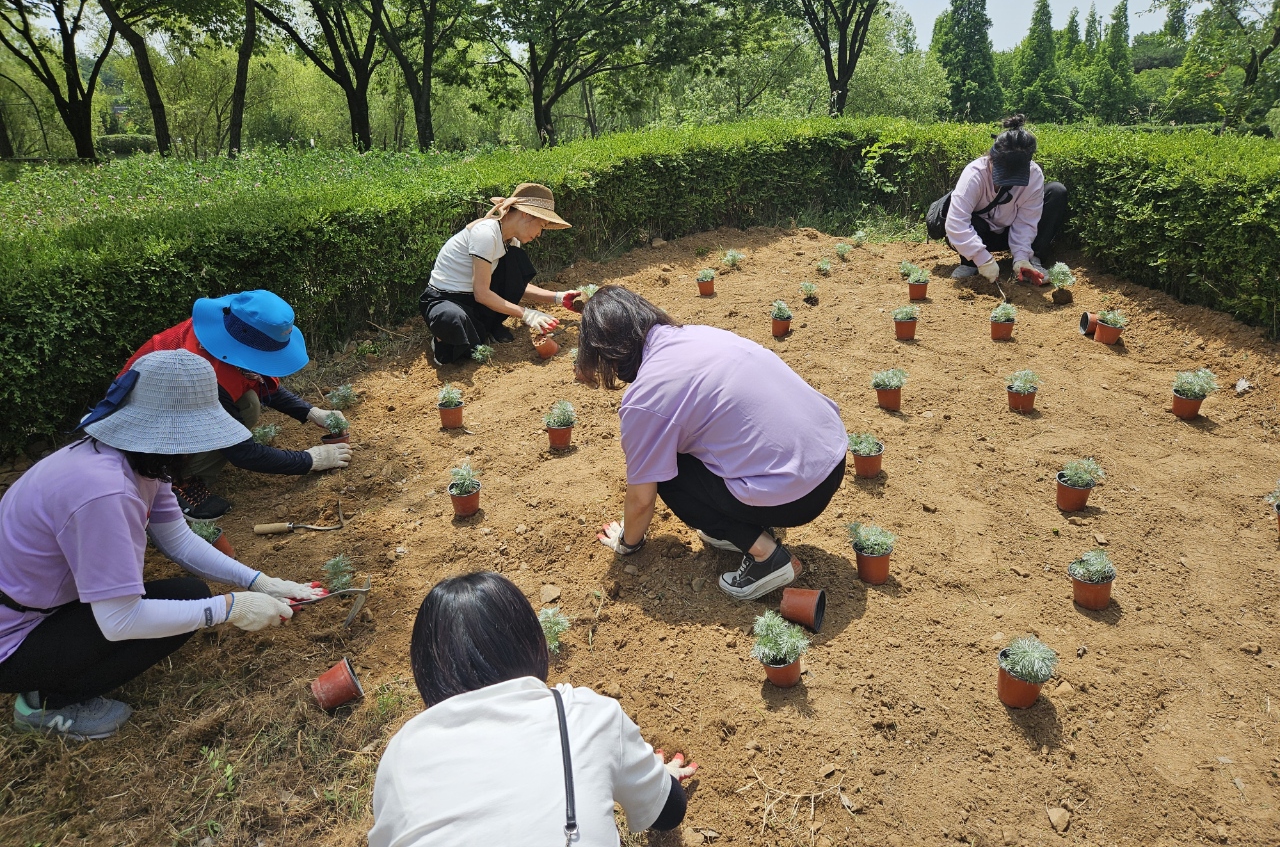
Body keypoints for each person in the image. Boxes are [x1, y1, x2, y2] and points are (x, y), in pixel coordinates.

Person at [0, 350, 325, 740]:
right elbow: (119, 620)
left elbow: (178, 541)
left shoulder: (137, 462)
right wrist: (228, 608)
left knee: (188, 595)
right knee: (186, 610)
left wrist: (258, 582)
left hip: (45, 603)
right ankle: (44, 702)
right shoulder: (106, 491)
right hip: (14, 637)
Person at [368, 572, 696, 846]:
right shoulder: (585, 715)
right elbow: (668, 813)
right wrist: (659, 777)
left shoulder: (400, 756)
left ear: (426, 668)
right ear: (530, 642)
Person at [580, 287, 847, 600]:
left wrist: (628, 543)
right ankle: (738, 523)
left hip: (801, 494)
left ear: (607, 353)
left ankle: (767, 556)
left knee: (667, 473)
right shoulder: (697, 334)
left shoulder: (645, 398)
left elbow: (641, 500)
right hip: (832, 456)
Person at [121, 289, 351, 520]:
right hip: (144, 437)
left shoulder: (224, 331)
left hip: (174, 409)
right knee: (233, 419)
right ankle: (173, 482)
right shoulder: (202, 373)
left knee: (248, 403)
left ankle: (190, 466)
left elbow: (258, 383)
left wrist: (311, 412)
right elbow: (242, 453)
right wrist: (310, 460)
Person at [419, 182, 581, 366]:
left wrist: (558, 297)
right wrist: (527, 314)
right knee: (452, 321)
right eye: (541, 226)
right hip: (446, 299)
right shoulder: (486, 234)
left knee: (515, 259)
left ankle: (487, 327)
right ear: (526, 214)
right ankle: (442, 341)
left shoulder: (510, 241)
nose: (539, 234)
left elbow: (513, 285)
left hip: (473, 300)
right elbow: (482, 293)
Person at [945, 114, 1070, 283]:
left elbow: (1026, 221)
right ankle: (970, 263)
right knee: (972, 222)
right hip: (981, 234)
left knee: (1056, 191)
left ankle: (1032, 261)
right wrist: (981, 258)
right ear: (992, 157)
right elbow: (956, 223)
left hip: (1009, 233)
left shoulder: (1034, 175)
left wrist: (1022, 258)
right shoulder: (974, 175)